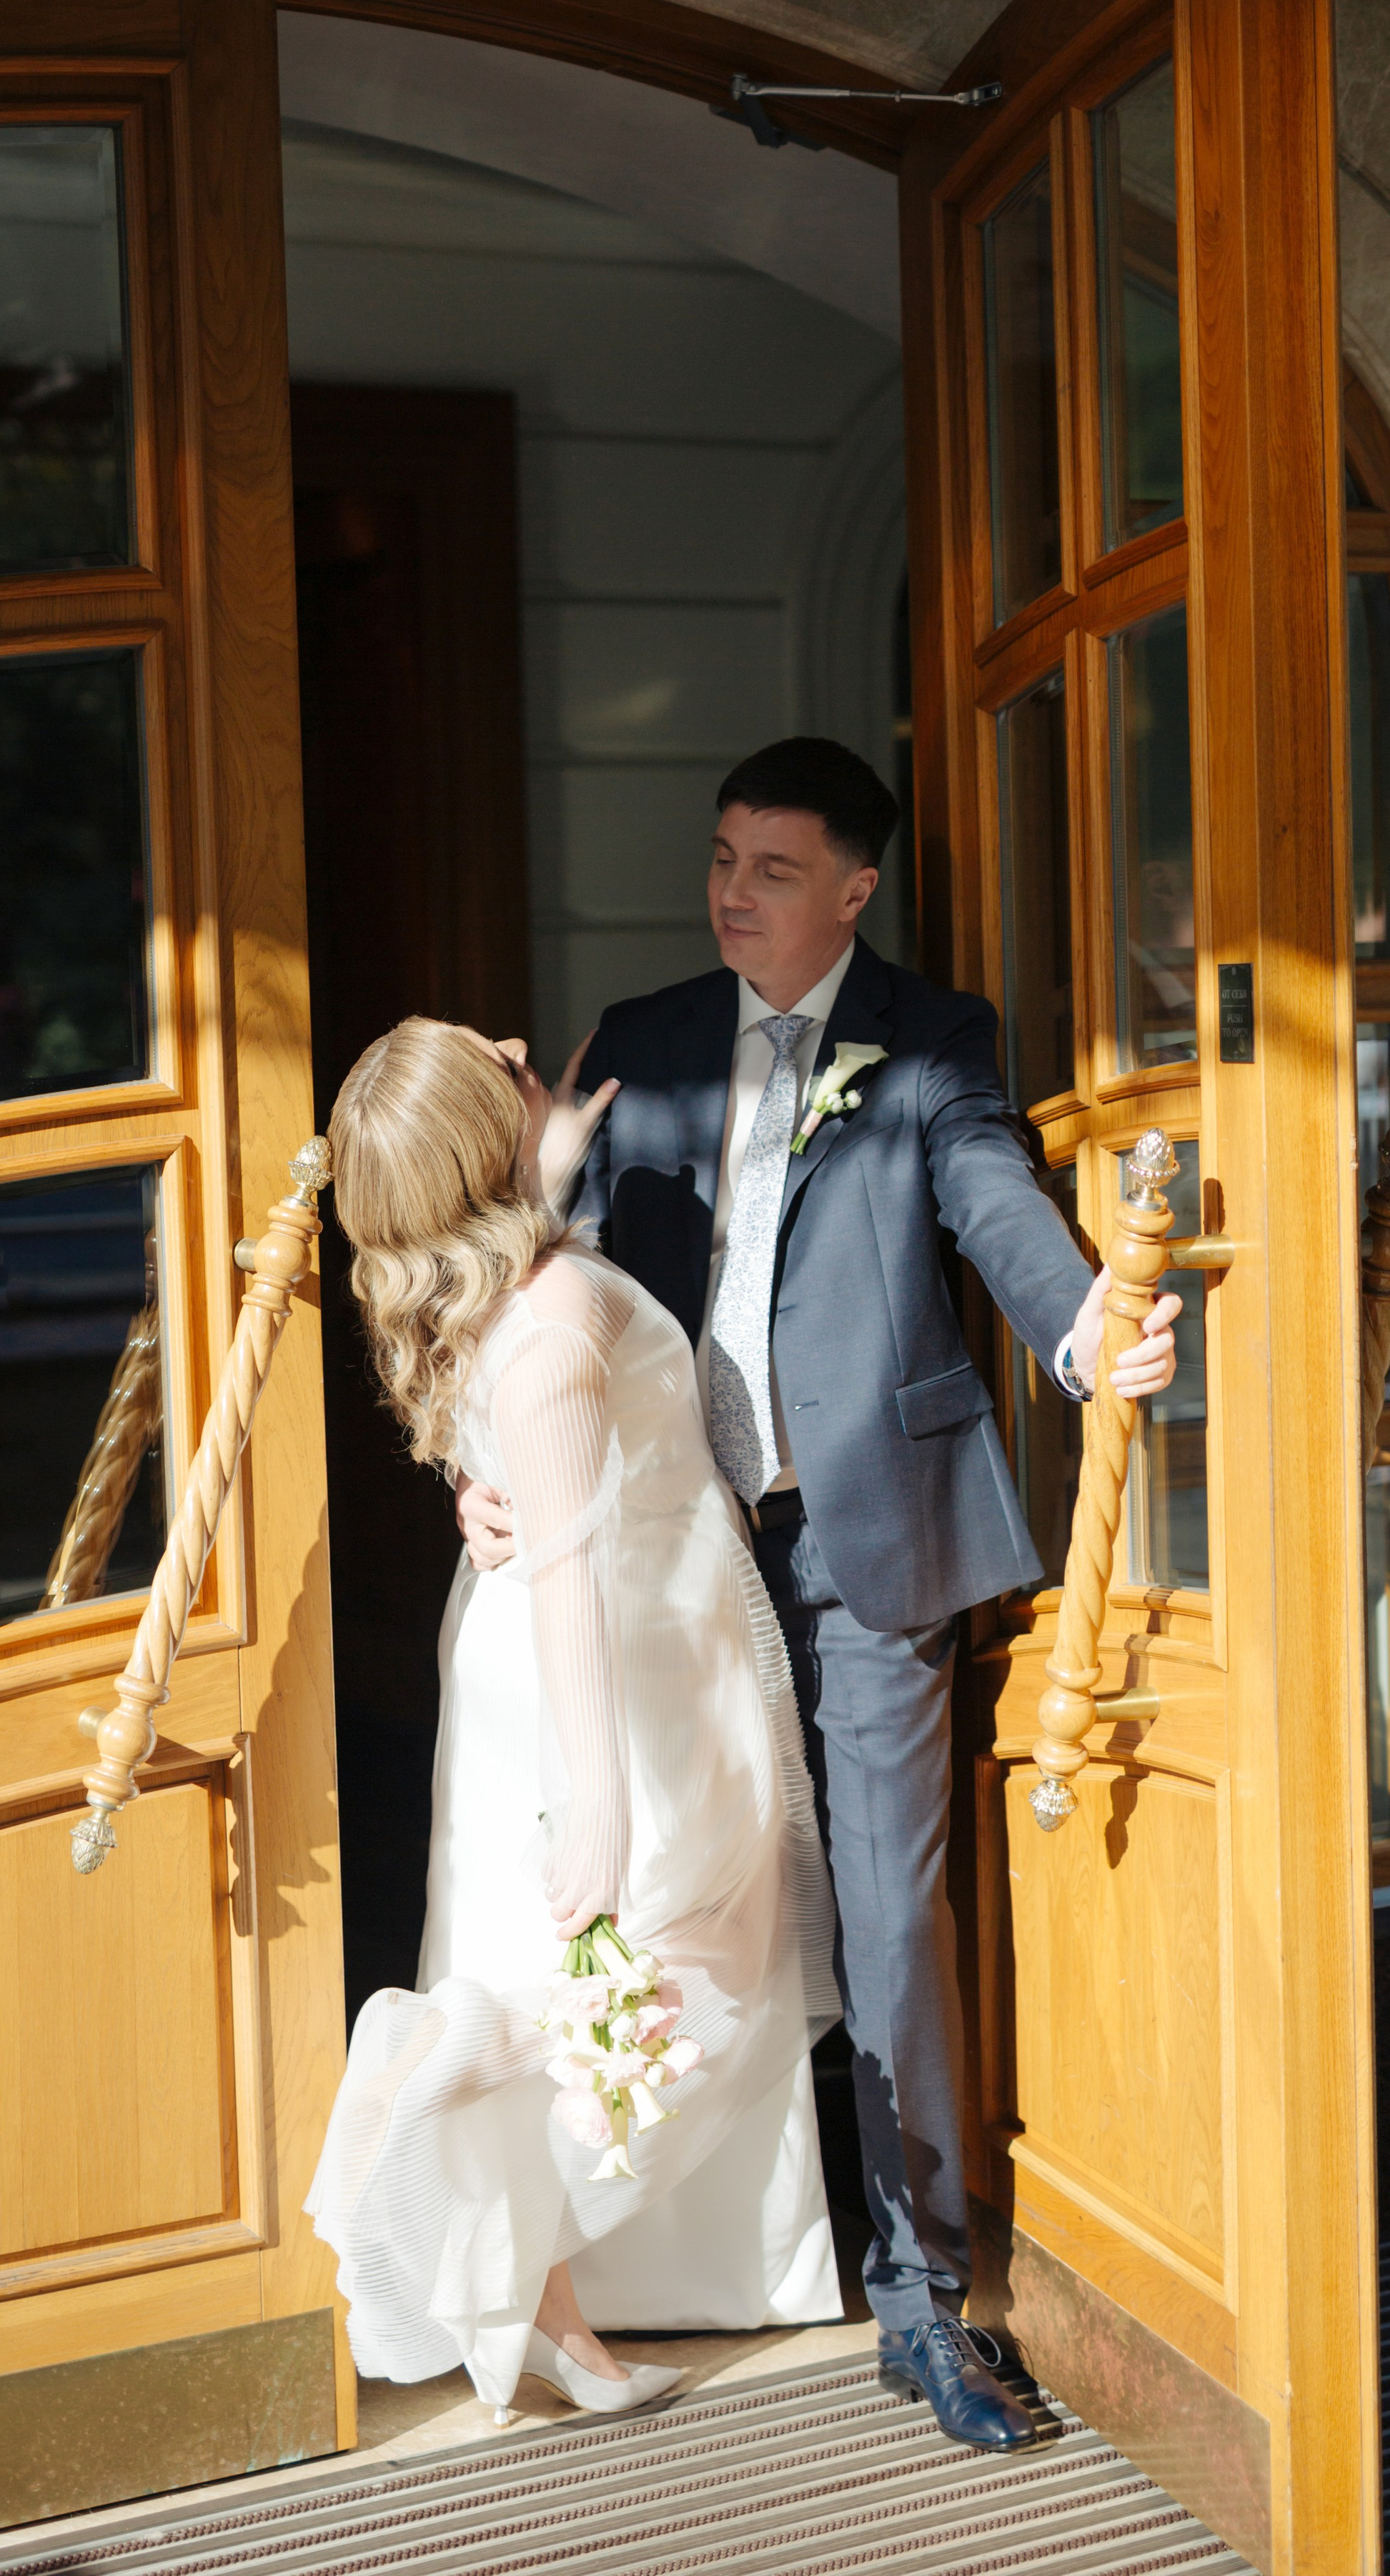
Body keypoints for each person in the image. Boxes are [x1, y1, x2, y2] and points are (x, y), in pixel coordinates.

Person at [456, 736, 1179, 2455]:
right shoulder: (634, 1047)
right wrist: (478, 1470)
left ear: (853, 889)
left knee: (881, 1912)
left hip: (862, 1550)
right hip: (664, 1558)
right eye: (720, 859)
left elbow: (997, 1206)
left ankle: (920, 2299)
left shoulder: (931, 1044)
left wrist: (1083, 1329)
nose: (730, 893)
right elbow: (515, 1284)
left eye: (773, 871)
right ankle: (661, 2249)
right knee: (676, 1889)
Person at [305, 1016, 844, 2425]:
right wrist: (597, 1803)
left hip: (648, 1647)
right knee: (651, 1977)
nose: (510, 1039)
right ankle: (466, 2226)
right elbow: (563, 1586)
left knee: (642, 1972)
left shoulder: (514, 1268)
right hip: (599, 1681)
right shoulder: (548, 1328)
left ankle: (546, 2302)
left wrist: (533, 1158)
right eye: (480, 1059)